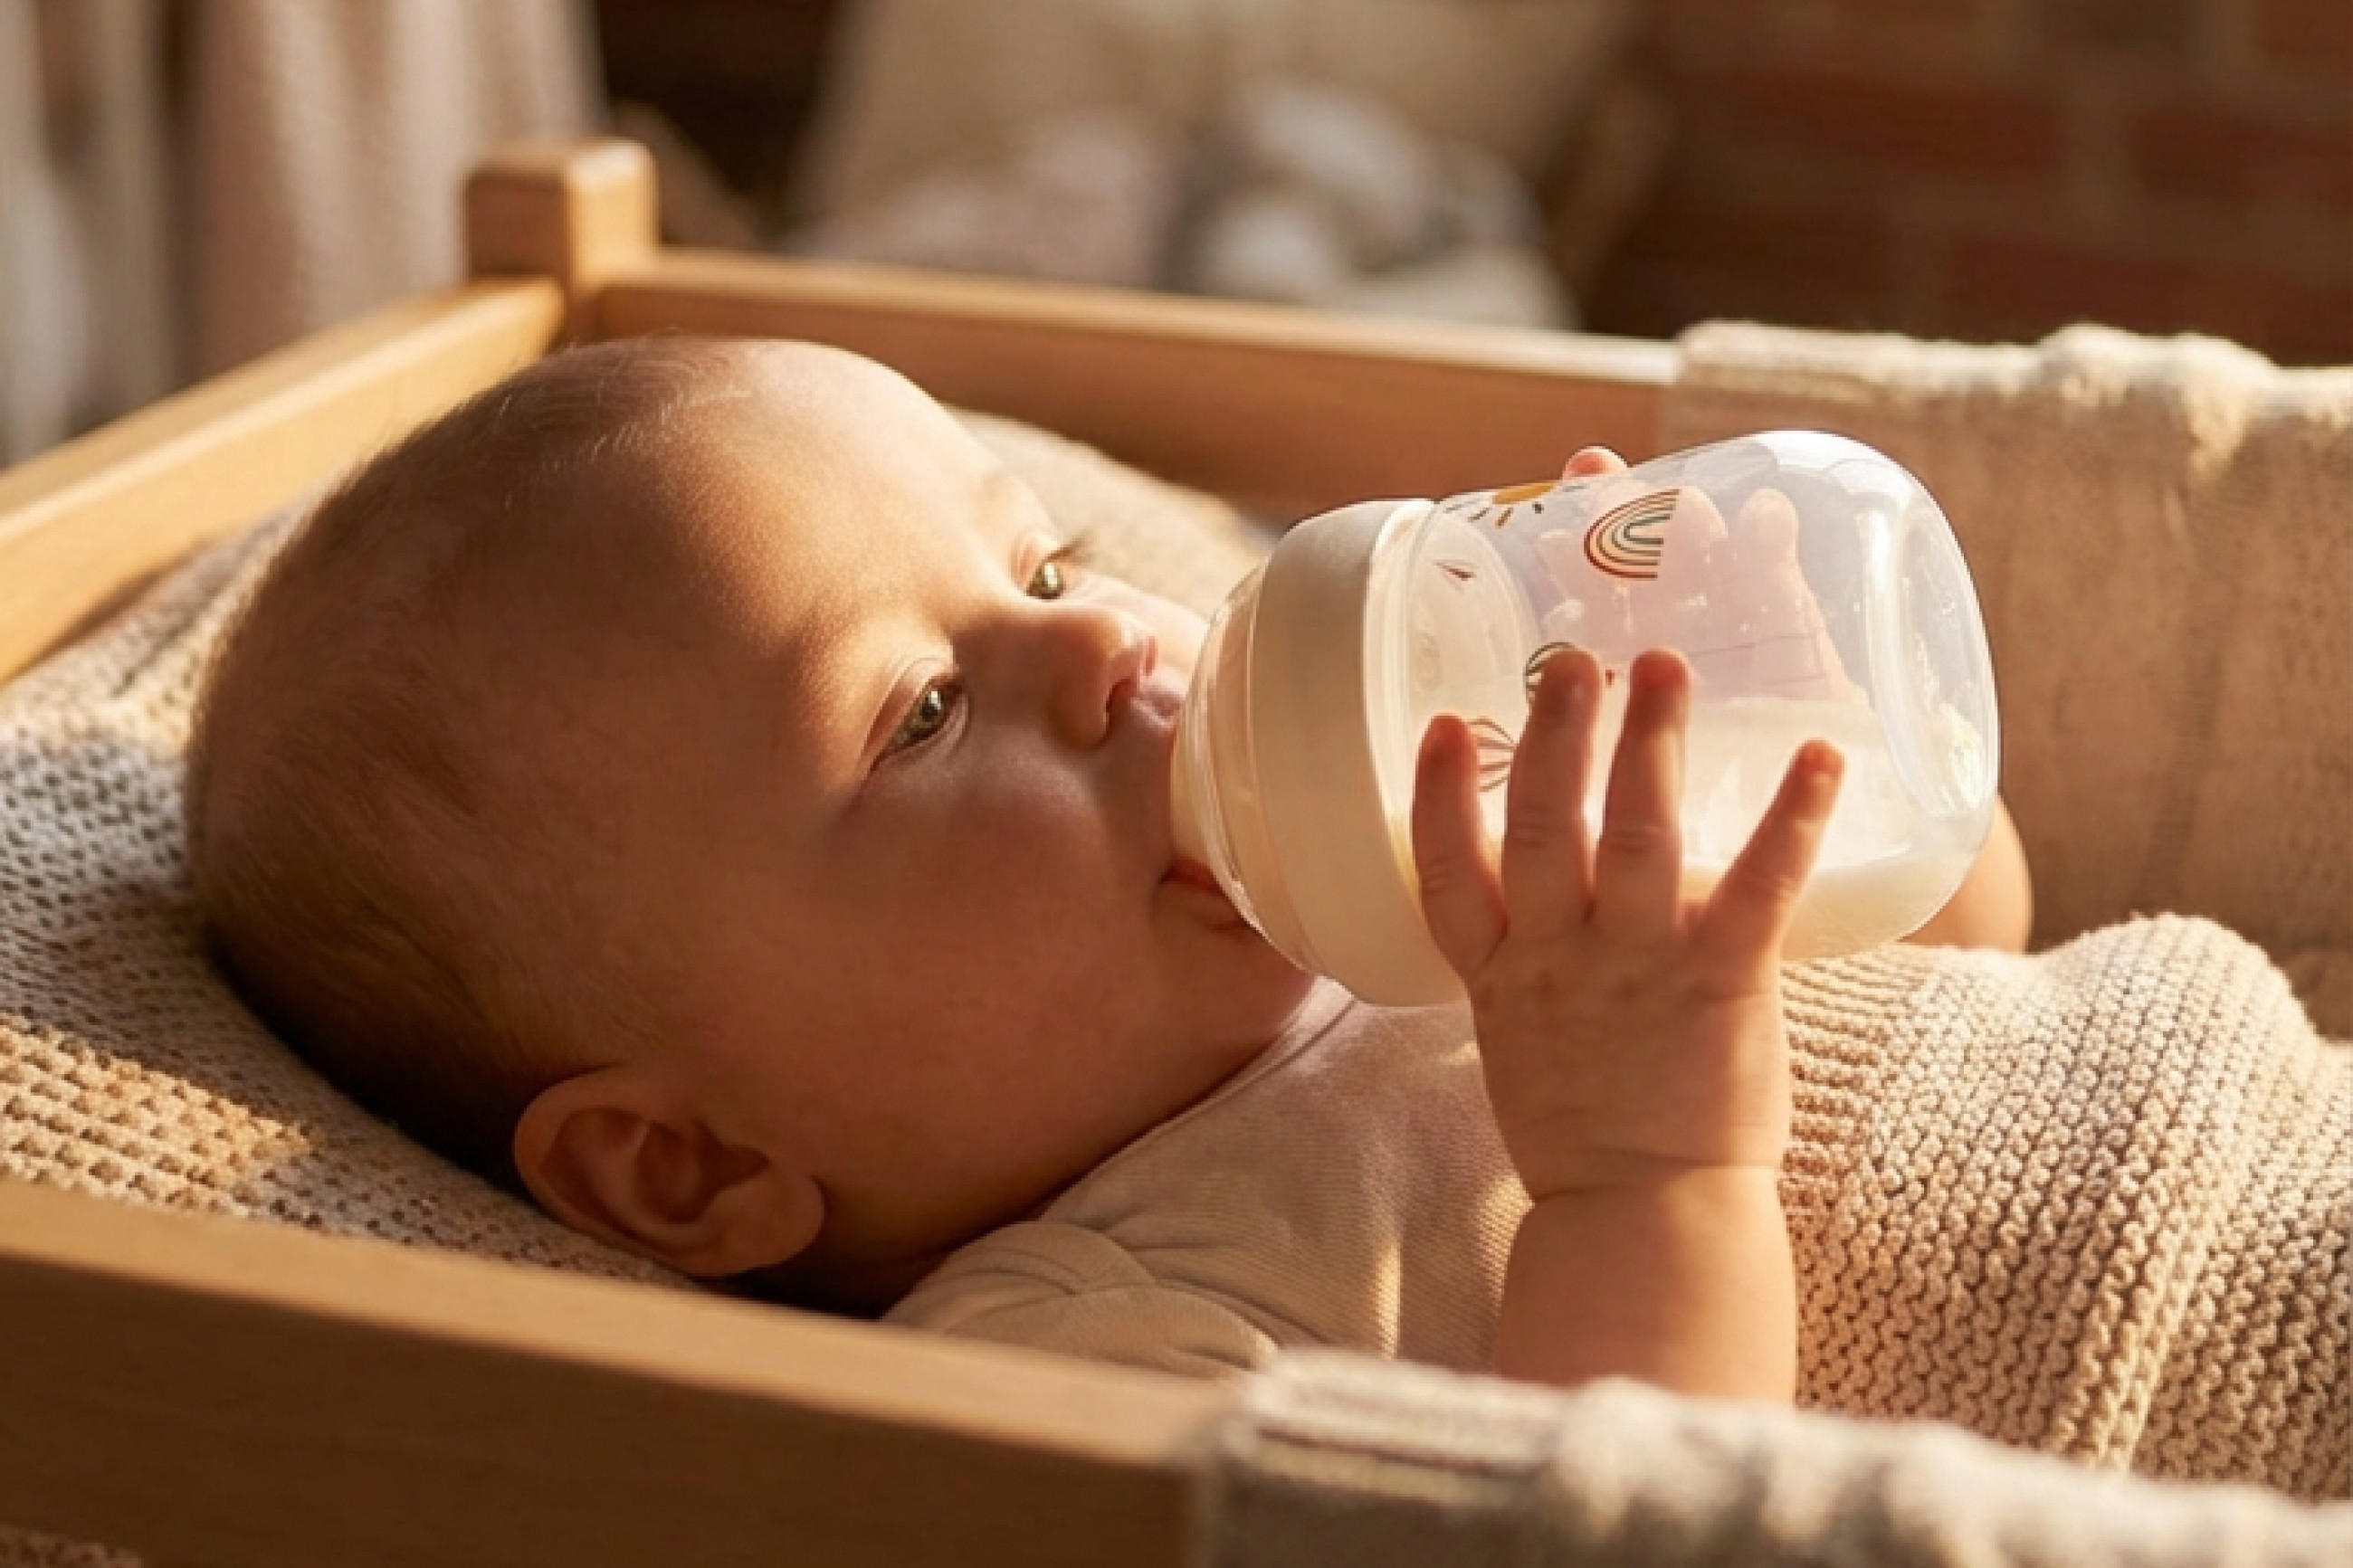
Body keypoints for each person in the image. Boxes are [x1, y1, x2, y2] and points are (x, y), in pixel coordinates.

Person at [186, 333, 2026, 1402]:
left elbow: (1985, 952)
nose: (1107, 650)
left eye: (1046, 567)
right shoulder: (1091, 1350)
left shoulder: (1464, 862)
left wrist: (1788, 733)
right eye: (916, 716)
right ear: (694, 1163)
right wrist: (1649, 1173)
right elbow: (1609, 1533)